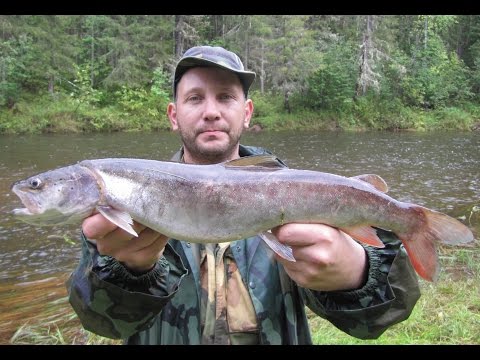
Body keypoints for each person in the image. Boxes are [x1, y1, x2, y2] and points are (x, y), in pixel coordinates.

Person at [66, 45, 421, 345]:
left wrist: (356, 274)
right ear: (173, 116)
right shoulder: (131, 201)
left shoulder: (297, 193)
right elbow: (103, 323)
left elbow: (386, 314)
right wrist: (130, 273)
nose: (211, 111)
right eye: (194, 98)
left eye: (225, 97)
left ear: (246, 112)